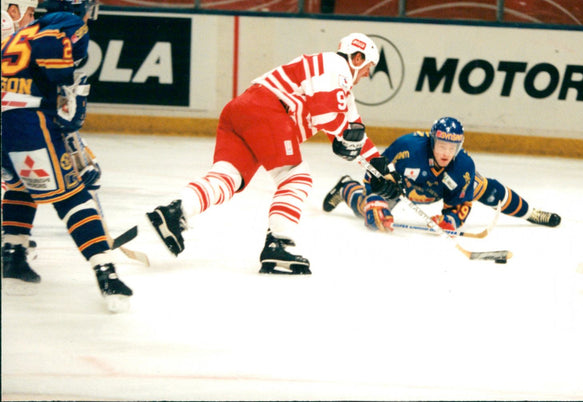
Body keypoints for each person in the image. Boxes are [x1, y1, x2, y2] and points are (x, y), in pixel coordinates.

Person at [146, 33, 393, 275]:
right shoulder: (335, 66)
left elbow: (353, 132)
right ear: (357, 58)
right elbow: (327, 118)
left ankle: (175, 211)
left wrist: (381, 169)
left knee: (227, 178)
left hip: (242, 111)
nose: (366, 74)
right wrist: (343, 137)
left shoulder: (341, 87)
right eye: (368, 67)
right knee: (296, 178)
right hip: (268, 111)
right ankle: (278, 243)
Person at [1, 0, 134, 312]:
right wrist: (66, 85)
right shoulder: (68, 23)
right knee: (73, 195)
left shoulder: (27, 29)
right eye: (87, 6)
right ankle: (106, 271)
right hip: (25, 120)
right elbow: (52, 55)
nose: (89, 13)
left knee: (20, 185)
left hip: (6, 118)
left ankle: (13, 252)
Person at [322, 116, 561, 233]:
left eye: (452, 147)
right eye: (442, 145)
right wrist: (375, 199)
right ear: (432, 140)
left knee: (487, 189)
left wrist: (451, 220)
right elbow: (375, 171)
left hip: (439, 190)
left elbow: (459, 205)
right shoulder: (407, 146)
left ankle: (532, 213)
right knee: (371, 218)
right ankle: (346, 188)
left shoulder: (462, 165)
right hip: (405, 186)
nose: (446, 153)